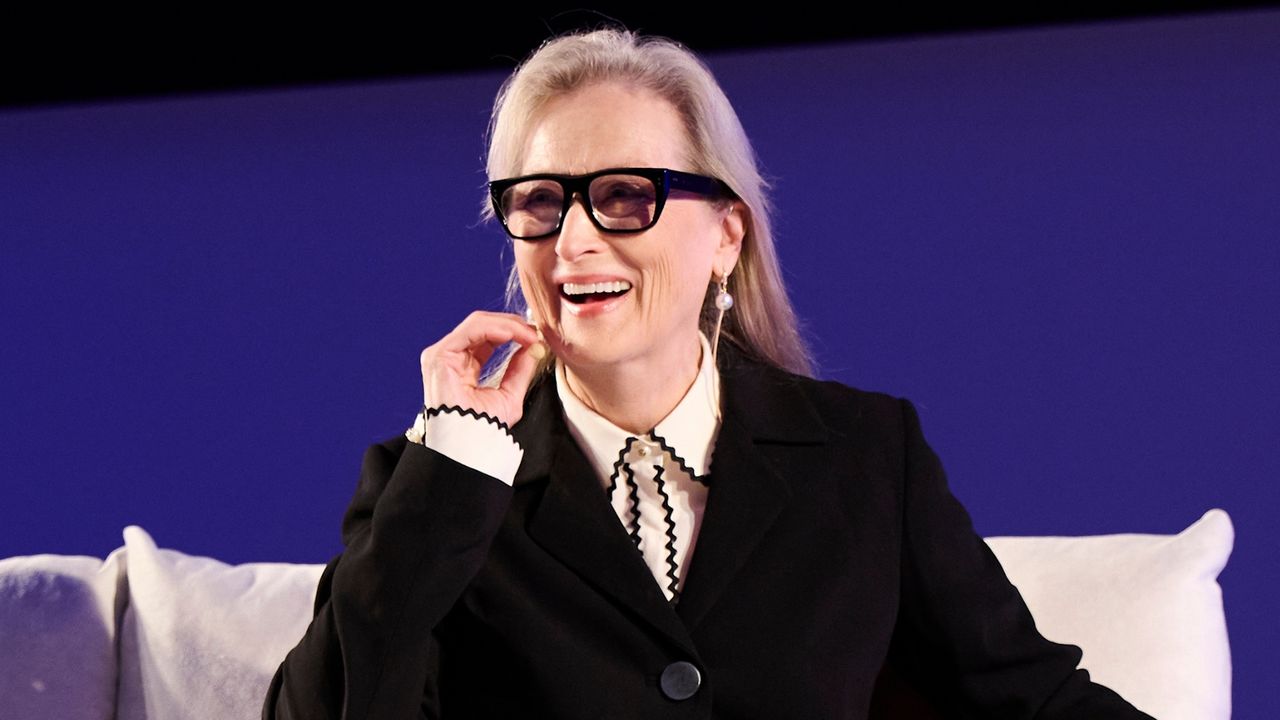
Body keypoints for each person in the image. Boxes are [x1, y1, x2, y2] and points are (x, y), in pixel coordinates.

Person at [263, 29, 1153, 719]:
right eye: (539, 202)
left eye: (622, 196)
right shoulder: (439, 486)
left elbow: (1031, 703)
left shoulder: (867, 460)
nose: (573, 240)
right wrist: (456, 458)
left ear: (726, 234)